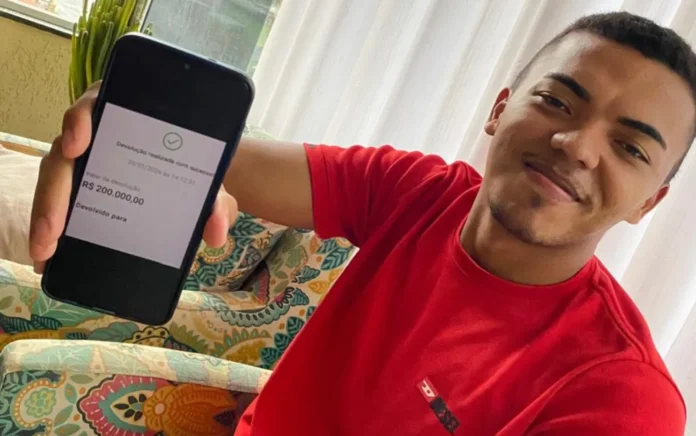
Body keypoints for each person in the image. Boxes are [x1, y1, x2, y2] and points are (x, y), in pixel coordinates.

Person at [29, 11, 693, 435]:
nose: (578, 146)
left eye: (631, 148)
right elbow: (222, 159)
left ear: (649, 202)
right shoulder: (421, 193)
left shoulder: (623, 398)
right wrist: (117, 123)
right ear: (500, 108)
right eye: (556, 101)